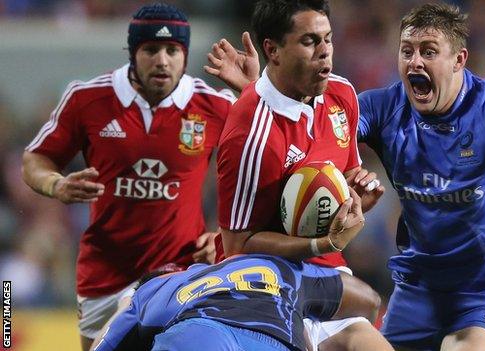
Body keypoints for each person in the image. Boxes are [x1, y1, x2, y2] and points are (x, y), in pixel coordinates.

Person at [207, 3, 485, 350]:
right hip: (416, 291)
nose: (415, 61)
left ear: (459, 60)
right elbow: (312, 131)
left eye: (429, 51)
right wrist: (260, 89)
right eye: (407, 51)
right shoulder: (382, 107)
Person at [21, 3, 233, 350]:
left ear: (185, 54)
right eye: (151, 49)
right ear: (132, 52)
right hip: (105, 274)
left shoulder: (215, 106)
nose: (162, 60)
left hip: (179, 270)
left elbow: (254, 171)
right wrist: (56, 184)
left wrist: (222, 235)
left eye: (172, 50)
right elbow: (36, 158)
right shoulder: (88, 98)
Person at [213, 1, 391, 351]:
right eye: (310, 41)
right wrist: (321, 244)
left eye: (328, 39)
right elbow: (236, 245)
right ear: (272, 50)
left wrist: (353, 195)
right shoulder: (250, 134)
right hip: (262, 284)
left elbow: (345, 171)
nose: (325, 52)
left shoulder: (341, 94)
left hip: (324, 271)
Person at [90, 251, 379, 351]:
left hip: (200, 334)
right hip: (276, 340)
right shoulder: (273, 267)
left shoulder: (154, 289)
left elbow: (106, 344)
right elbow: (369, 300)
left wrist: (126, 305)